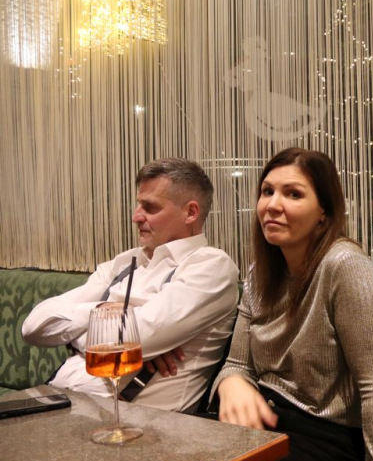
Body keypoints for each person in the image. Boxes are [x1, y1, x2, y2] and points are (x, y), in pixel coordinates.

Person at [211, 147, 373, 461]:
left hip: (323, 442)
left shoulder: (345, 266)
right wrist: (232, 383)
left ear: (323, 212)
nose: (273, 204)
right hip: (261, 427)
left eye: (293, 194)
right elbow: (236, 364)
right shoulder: (258, 274)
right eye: (267, 191)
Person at [22, 158, 239, 413]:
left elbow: (135, 340)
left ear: (190, 212)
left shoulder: (210, 266)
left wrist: (71, 336)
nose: (136, 216)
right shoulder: (125, 262)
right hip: (55, 399)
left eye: (150, 207)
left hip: (130, 420)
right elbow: (34, 326)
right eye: (138, 204)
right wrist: (106, 311)